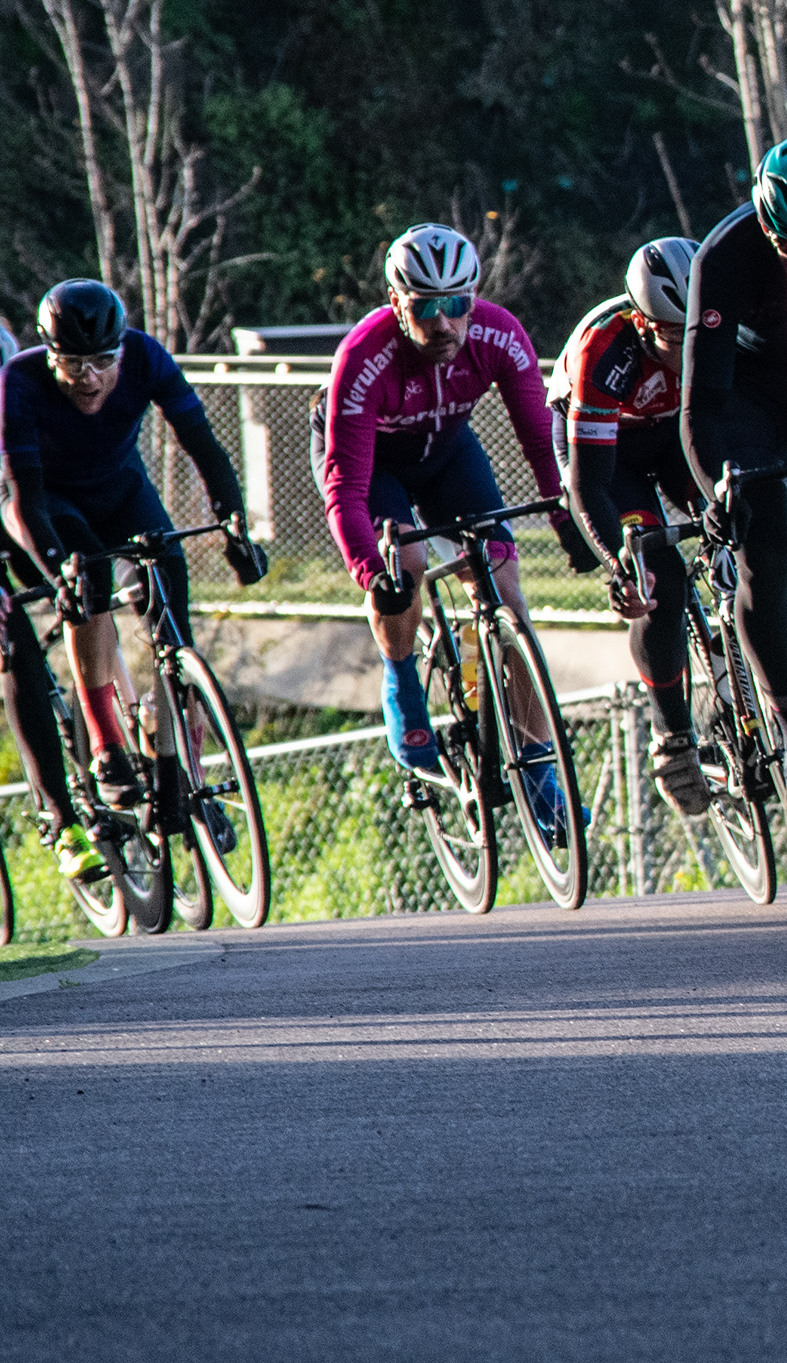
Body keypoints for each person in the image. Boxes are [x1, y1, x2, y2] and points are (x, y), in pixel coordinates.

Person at [315, 223, 594, 830]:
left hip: (445, 452)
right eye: (424, 308)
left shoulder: (499, 334)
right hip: (373, 467)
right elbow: (346, 491)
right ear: (397, 303)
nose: (443, 323)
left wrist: (567, 519)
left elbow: (540, 444)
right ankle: (401, 677)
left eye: (457, 304)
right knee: (406, 566)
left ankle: (538, 768)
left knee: (505, 591)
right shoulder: (364, 358)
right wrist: (371, 573)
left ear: (473, 299)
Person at [0, 280, 266, 878]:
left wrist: (235, 528)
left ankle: (184, 767)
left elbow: (204, 446)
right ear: (49, 355)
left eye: (103, 362)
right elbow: (24, 498)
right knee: (88, 580)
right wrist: (57, 571)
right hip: (52, 503)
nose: (89, 378)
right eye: (72, 364)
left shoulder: (146, 356)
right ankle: (106, 744)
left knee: (173, 617)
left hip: (122, 492)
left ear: (121, 350)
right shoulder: (19, 380)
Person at [682, 139, 787, 847]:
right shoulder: (723, 258)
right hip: (752, 390)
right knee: (761, 546)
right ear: (765, 225)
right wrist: (718, 488)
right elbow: (700, 405)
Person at [549, 236, 716, 824]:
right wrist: (619, 566)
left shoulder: (719, 321)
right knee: (658, 575)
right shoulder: (605, 349)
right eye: (674, 337)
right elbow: (589, 485)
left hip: (674, 433)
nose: (690, 351)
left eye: (697, 333)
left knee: (743, 527)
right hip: (607, 452)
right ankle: (673, 738)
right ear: (643, 324)